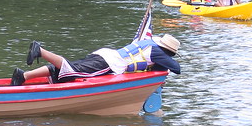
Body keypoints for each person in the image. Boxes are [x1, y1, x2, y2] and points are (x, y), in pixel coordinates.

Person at [11, 34, 181, 86]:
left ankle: (23, 77)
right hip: (109, 63)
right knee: (71, 69)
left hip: (104, 54)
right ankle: (40, 51)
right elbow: (176, 68)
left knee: (65, 73)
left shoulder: (146, 42)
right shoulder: (157, 52)